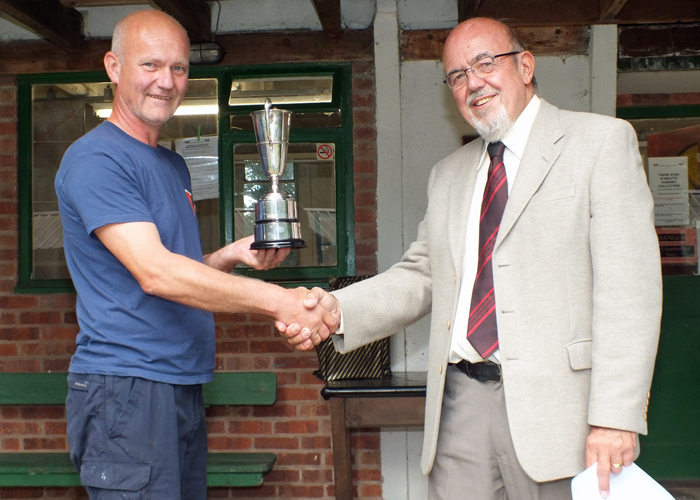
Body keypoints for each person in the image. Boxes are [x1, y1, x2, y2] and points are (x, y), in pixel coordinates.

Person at [279, 17, 662, 500]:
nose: (472, 82)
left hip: (562, 412)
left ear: (525, 66)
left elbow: (630, 291)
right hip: (460, 407)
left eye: (485, 64)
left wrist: (614, 416)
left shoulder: (600, 143)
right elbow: (421, 275)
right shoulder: (449, 175)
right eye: (457, 75)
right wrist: (336, 310)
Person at [55, 10, 334, 500]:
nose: (166, 81)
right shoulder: (96, 159)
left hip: (177, 381)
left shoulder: (170, 164)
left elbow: (171, 272)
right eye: (151, 65)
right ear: (114, 67)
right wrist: (281, 303)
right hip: (128, 387)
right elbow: (156, 274)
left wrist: (230, 255)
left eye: (179, 68)